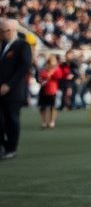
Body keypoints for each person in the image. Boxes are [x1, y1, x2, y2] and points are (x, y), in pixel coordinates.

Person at [0, 19, 33, 159]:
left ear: (14, 30)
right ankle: (2, 146)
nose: (3, 34)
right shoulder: (2, 47)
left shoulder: (22, 45)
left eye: (6, 31)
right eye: (1, 31)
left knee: (12, 119)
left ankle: (11, 148)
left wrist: (9, 85)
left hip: (13, 91)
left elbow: (24, 67)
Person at [37, 55, 64, 129]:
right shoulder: (44, 68)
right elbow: (41, 76)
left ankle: (52, 121)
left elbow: (59, 76)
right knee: (43, 107)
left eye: (54, 61)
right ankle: (44, 122)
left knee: (53, 106)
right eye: (51, 61)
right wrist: (47, 74)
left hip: (52, 89)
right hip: (43, 89)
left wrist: (51, 73)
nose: (53, 63)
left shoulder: (57, 69)